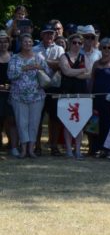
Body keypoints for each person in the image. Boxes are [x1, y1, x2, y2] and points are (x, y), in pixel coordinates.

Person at [7, 31, 47, 158]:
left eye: (30, 42)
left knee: (34, 123)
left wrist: (39, 68)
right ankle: (23, 149)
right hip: (18, 96)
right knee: (21, 122)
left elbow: (48, 73)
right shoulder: (14, 58)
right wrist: (24, 68)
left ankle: (31, 149)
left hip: (37, 96)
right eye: (25, 42)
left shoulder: (38, 57)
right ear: (21, 43)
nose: (28, 44)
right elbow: (10, 75)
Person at [58, 33, 92, 159]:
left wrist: (73, 73)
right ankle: (68, 149)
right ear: (70, 43)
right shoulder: (63, 56)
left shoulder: (84, 57)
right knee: (67, 122)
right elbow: (66, 71)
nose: (77, 45)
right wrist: (81, 71)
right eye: (74, 42)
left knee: (80, 122)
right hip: (67, 92)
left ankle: (78, 150)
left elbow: (88, 74)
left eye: (79, 43)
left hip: (81, 93)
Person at [34, 22, 65, 155]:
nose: (49, 36)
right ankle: (37, 146)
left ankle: (54, 146)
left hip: (54, 87)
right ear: (42, 35)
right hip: (38, 87)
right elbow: (33, 65)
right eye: (46, 33)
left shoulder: (59, 49)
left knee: (55, 118)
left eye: (51, 33)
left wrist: (45, 62)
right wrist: (54, 63)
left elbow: (62, 65)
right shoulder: (34, 48)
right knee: (38, 118)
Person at [90, 37, 110, 158]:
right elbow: (92, 80)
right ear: (100, 48)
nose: (107, 49)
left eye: (109, 47)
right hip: (97, 97)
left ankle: (109, 149)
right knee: (96, 122)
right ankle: (97, 148)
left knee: (108, 123)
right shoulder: (96, 64)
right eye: (104, 47)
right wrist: (90, 95)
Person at [0, 31, 14, 155]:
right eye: (1, 41)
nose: (3, 44)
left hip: (11, 92)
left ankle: (12, 144)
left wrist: (10, 85)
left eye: (5, 41)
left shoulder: (14, 56)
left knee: (10, 119)